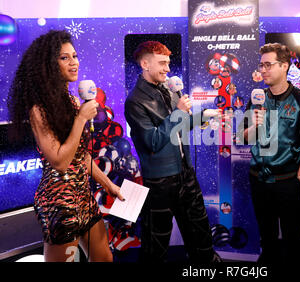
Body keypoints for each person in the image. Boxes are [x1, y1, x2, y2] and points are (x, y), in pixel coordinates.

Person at [7, 30, 124, 262]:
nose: (74, 62)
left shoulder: (70, 100)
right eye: (64, 58)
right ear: (50, 65)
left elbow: (81, 156)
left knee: (104, 259)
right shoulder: (38, 109)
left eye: (75, 56)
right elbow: (60, 162)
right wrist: (81, 119)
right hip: (59, 202)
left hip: (83, 196)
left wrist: (108, 184)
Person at [124, 41, 221, 263]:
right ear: (145, 64)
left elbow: (179, 125)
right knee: (155, 249)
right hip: (159, 183)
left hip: (186, 175)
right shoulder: (135, 101)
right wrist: (178, 113)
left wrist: (203, 116)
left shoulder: (170, 89)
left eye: (168, 62)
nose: (168, 68)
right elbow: (153, 141)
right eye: (162, 63)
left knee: (202, 241)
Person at [243, 43, 300, 263]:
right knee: (267, 239)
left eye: (269, 65)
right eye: (261, 65)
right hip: (259, 180)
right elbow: (243, 137)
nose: (263, 70)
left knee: (293, 239)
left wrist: (299, 178)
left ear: (285, 66)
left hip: (288, 181)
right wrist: (254, 126)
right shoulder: (256, 97)